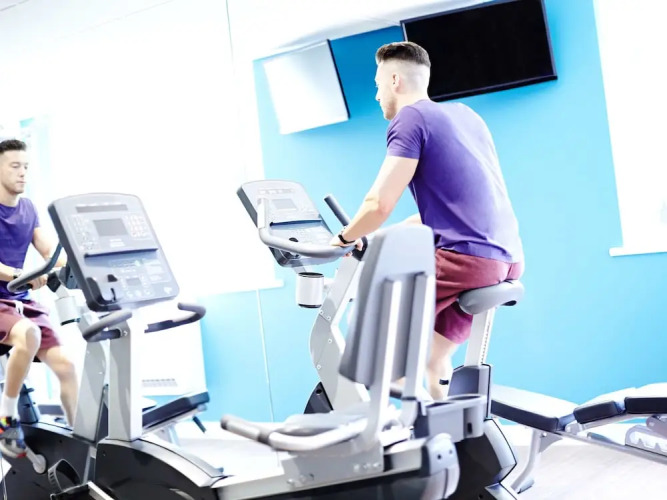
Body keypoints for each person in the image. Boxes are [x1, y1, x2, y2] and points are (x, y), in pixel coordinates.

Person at [330, 42, 524, 399]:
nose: (376, 95)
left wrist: (342, 238)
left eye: (377, 85)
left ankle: (397, 420)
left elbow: (378, 203)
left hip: (466, 260)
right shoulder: (467, 116)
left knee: (378, 340)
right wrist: (370, 239)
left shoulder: (410, 119)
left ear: (394, 80)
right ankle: (453, 429)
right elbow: (452, 210)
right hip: (505, 258)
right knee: (434, 358)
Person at [0, 138, 78, 458]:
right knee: (28, 334)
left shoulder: (28, 208)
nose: (23, 173)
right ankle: (6, 420)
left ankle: (82, 442)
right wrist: (24, 275)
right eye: (15, 166)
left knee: (66, 367)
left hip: (22, 299)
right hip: (1, 300)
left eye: (26, 166)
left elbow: (48, 250)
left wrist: (74, 262)